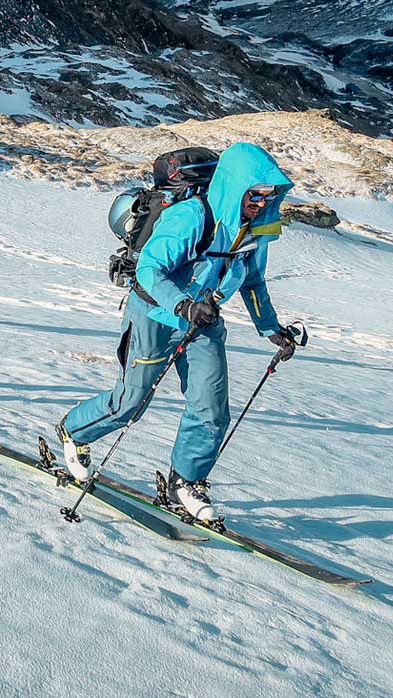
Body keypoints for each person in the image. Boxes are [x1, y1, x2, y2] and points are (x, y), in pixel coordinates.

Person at [56, 142, 299, 525]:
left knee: (212, 408)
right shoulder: (191, 216)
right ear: (235, 187)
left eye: (268, 195)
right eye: (254, 193)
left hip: (204, 323)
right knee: (130, 402)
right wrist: (182, 305)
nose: (259, 201)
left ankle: (186, 481)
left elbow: (253, 281)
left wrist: (271, 329)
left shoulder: (254, 230)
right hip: (155, 316)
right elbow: (149, 270)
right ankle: (74, 432)